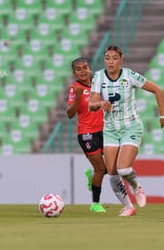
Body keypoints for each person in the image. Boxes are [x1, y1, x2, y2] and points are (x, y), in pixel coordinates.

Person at [88, 45, 164, 217]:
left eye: (114, 58)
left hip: (131, 127)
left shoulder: (129, 75)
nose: (110, 62)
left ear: (121, 60)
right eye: (107, 58)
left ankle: (136, 186)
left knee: (123, 169)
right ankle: (128, 206)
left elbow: (157, 90)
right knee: (111, 174)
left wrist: (162, 116)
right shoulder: (98, 77)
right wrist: (100, 104)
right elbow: (91, 104)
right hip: (110, 130)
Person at [67, 57, 107, 213]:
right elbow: (70, 114)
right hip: (87, 132)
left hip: (105, 130)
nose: (83, 71)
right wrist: (77, 97)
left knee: (112, 168)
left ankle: (93, 178)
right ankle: (95, 204)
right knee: (100, 169)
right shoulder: (75, 88)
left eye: (85, 67)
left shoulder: (99, 82)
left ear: (90, 68)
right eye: (79, 69)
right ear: (74, 73)